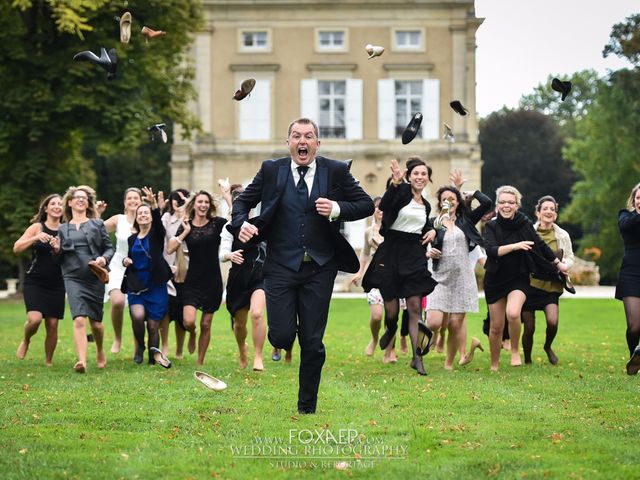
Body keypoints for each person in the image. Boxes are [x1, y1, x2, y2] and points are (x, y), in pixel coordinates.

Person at [230, 117, 373, 414]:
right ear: (289, 143)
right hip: (280, 265)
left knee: (311, 341)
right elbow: (242, 203)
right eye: (296, 136)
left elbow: (366, 204)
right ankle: (283, 336)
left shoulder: (334, 171)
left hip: (320, 267)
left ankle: (306, 405)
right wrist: (241, 223)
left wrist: (337, 209)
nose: (302, 141)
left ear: (317, 144)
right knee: (281, 336)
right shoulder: (272, 170)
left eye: (309, 136)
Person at [363, 157, 438, 376]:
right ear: (409, 176)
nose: (420, 177)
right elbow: (385, 207)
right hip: (392, 253)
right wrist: (395, 184)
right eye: (416, 173)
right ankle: (392, 328)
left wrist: (433, 229)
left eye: (424, 174)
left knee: (415, 307)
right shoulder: (401, 193)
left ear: (428, 178)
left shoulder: (426, 204)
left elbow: (424, 225)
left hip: (414, 255)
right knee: (392, 310)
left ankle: (417, 357)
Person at [483, 186, 568, 371]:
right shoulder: (491, 225)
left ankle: (515, 351)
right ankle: (494, 364)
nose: (507, 206)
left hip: (518, 278)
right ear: (497, 205)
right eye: (503, 202)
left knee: (513, 313)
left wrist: (557, 263)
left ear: (517, 205)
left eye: (511, 203)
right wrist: (515, 246)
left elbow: (540, 244)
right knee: (496, 327)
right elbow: (491, 250)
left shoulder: (524, 223)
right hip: (495, 279)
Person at [426, 173, 492, 370]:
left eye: (452, 199)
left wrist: (471, 193)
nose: (448, 202)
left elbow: (487, 203)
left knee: (455, 324)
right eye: (444, 199)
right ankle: (429, 339)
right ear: (439, 203)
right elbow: (419, 245)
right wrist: (429, 252)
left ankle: (448, 363)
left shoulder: (467, 220)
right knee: (434, 322)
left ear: (457, 202)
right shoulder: (432, 223)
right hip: (439, 277)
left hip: (462, 278)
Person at [51, 186, 114, 373]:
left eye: (84, 198)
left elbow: (109, 249)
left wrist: (103, 259)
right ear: (69, 203)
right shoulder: (62, 229)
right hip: (72, 277)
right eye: (77, 198)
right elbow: (59, 258)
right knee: (79, 319)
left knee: (96, 323)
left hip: (94, 276)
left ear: (88, 203)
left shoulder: (97, 224)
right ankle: (82, 361)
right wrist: (56, 249)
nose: (81, 200)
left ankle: (100, 350)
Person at [167, 190, 227, 366]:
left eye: (206, 202)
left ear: (210, 205)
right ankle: (192, 333)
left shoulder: (217, 224)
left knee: (206, 324)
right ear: (194, 205)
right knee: (188, 321)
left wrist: (229, 199)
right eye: (200, 202)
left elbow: (234, 223)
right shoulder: (186, 225)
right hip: (192, 280)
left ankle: (200, 362)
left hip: (212, 280)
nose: (203, 205)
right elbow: (170, 249)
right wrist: (184, 233)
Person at [122, 187, 173, 368]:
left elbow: (159, 224)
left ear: (150, 216)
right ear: (136, 218)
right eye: (140, 213)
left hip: (156, 285)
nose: (143, 215)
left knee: (153, 325)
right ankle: (140, 347)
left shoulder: (156, 235)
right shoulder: (132, 239)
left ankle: (153, 357)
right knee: (137, 316)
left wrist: (153, 205)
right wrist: (125, 260)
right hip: (136, 285)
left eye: (146, 213)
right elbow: (129, 257)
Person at [521, 195, 575, 365]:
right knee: (529, 328)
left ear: (556, 214)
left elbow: (570, 256)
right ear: (538, 212)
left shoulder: (562, 235)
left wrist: (565, 264)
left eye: (552, 209)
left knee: (552, 322)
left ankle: (547, 346)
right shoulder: (529, 231)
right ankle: (528, 360)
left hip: (552, 285)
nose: (549, 212)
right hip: (529, 284)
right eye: (545, 209)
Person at [13, 194, 65, 366]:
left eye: (60, 204)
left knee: (52, 324)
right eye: (53, 204)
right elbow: (16, 248)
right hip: (35, 281)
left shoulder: (66, 229)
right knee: (34, 320)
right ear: (46, 208)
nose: (57, 206)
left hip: (57, 283)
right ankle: (27, 340)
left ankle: (48, 361)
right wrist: (35, 238)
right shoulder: (37, 227)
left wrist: (58, 249)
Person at [220, 185, 267, 371]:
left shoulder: (261, 224)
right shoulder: (229, 227)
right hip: (238, 279)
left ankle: (258, 357)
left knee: (257, 314)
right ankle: (242, 349)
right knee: (239, 324)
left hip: (260, 277)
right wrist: (229, 256)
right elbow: (221, 253)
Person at [351, 196, 397, 363]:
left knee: (391, 316)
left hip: (393, 277)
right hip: (375, 276)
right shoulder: (368, 232)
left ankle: (389, 352)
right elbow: (364, 253)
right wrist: (359, 272)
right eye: (377, 207)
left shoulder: (394, 229)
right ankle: (375, 338)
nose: (380, 210)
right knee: (377, 316)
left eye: (382, 208)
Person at [100, 187, 143, 354]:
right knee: (117, 302)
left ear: (141, 201)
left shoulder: (146, 218)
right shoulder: (119, 219)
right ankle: (117, 338)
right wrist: (97, 214)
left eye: (136, 198)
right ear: (125, 203)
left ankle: (138, 346)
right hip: (118, 266)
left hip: (139, 268)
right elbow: (95, 230)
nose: (133, 201)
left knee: (136, 309)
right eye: (129, 198)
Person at [160, 188, 191, 359]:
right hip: (167, 270)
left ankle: (179, 349)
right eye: (175, 199)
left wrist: (186, 211)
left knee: (181, 313)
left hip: (186, 271)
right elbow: (159, 238)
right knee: (165, 310)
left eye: (183, 199)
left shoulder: (191, 220)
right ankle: (165, 345)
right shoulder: (166, 219)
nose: (178, 202)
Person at [616, 182, 640, 375]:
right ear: (634, 200)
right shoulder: (626, 216)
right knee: (634, 327)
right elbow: (627, 225)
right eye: (639, 198)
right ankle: (634, 355)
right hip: (631, 273)